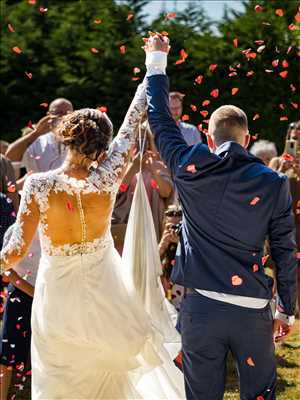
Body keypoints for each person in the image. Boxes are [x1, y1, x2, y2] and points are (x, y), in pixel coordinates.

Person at [0, 84, 184, 399]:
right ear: (103, 146)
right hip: (107, 293)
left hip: (58, 296)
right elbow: (133, 118)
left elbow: (15, 250)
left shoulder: (39, 185)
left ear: (64, 138)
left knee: (61, 378)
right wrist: (155, 62)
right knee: (108, 376)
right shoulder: (108, 177)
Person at [144, 33, 297, 400]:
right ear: (247, 139)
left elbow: (160, 119)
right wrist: (286, 310)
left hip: (201, 309)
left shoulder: (189, 166)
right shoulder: (275, 182)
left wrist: (157, 61)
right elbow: (284, 250)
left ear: (210, 140)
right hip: (252, 310)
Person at [112, 121, 173, 252]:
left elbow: (166, 193)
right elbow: (118, 192)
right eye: (137, 141)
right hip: (129, 222)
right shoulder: (122, 167)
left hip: (153, 220)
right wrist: (133, 167)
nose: (142, 146)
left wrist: (153, 170)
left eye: (145, 141)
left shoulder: (160, 166)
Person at [269, 121, 300, 316]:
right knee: (281, 266)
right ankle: (281, 306)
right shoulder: (276, 161)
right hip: (281, 222)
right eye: (294, 138)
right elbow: (267, 191)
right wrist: (280, 170)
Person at [5, 98, 73, 175]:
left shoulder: (81, 140)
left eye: (68, 113)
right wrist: (36, 133)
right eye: (58, 113)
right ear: (48, 115)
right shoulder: (37, 140)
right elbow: (9, 158)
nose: (63, 117)